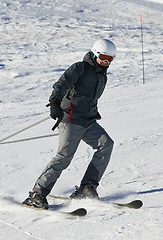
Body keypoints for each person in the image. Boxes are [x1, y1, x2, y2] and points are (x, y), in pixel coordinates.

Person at [22, 39, 116, 209]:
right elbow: (61, 84)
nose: (106, 62)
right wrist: (55, 102)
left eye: (110, 59)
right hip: (71, 120)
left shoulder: (102, 76)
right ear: (95, 53)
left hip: (88, 121)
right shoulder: (80, 68)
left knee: (106, 144)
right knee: (64, 157)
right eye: (103, 57)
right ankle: (37, 194)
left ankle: (87, 188)